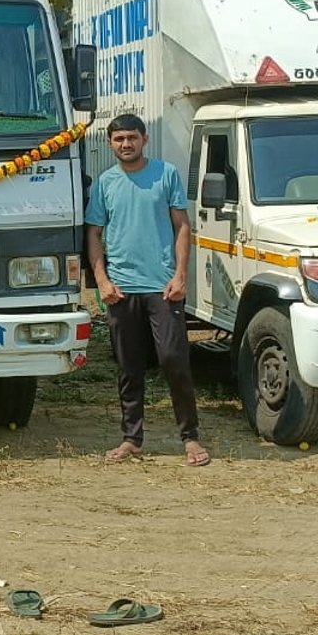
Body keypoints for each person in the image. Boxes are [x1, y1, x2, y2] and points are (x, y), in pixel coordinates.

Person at [85, 112, 210, 467]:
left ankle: (190, 438)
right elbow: (94, 233)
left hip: (162, 287)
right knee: (129, 366)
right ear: (110, 143)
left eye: (132, 138)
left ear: (144, 139)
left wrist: (180, 276)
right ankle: (131, 439)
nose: (126, 144)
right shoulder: (105, 184)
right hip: (121, 291)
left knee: (174, 359)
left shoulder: (166, 174)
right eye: (119, 139)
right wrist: (102, 281)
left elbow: (182, 226)